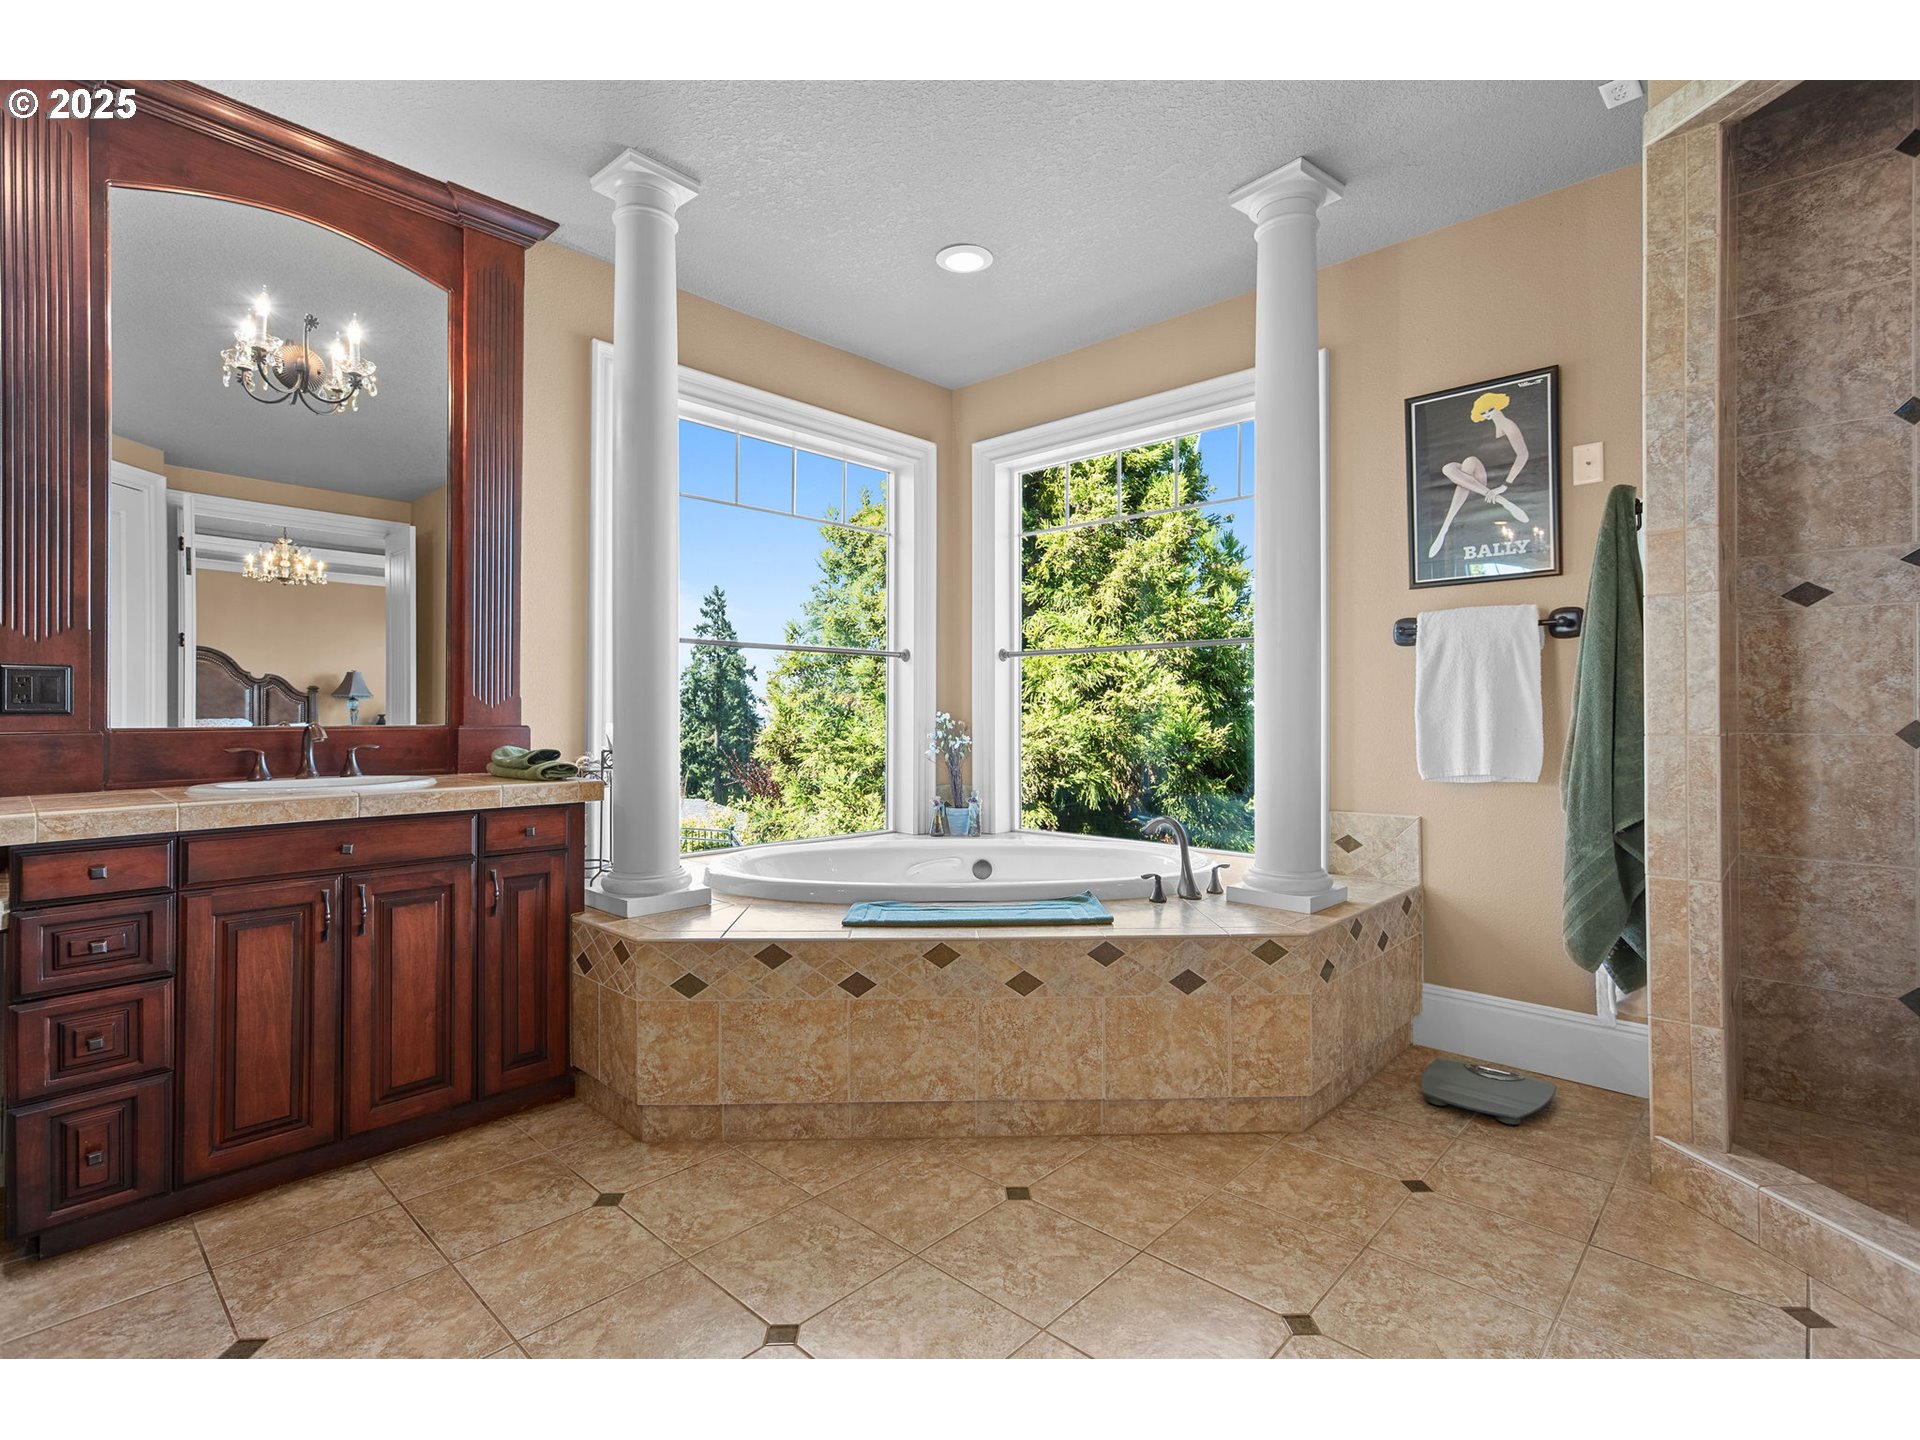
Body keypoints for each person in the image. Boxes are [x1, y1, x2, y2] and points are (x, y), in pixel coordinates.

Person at [1426, 391, 1531, 560]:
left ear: (1498, 404)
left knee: (1470, 460)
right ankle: (1503, 502)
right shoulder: (1486, 430)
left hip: (1491, 480)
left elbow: (1523, 455)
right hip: (1475, 481)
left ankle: (1445, 527)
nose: (1488, 414)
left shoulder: (1509, 426)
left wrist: (1505, 485)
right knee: (1450, 467)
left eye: (1490, 409)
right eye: (1484, 412)